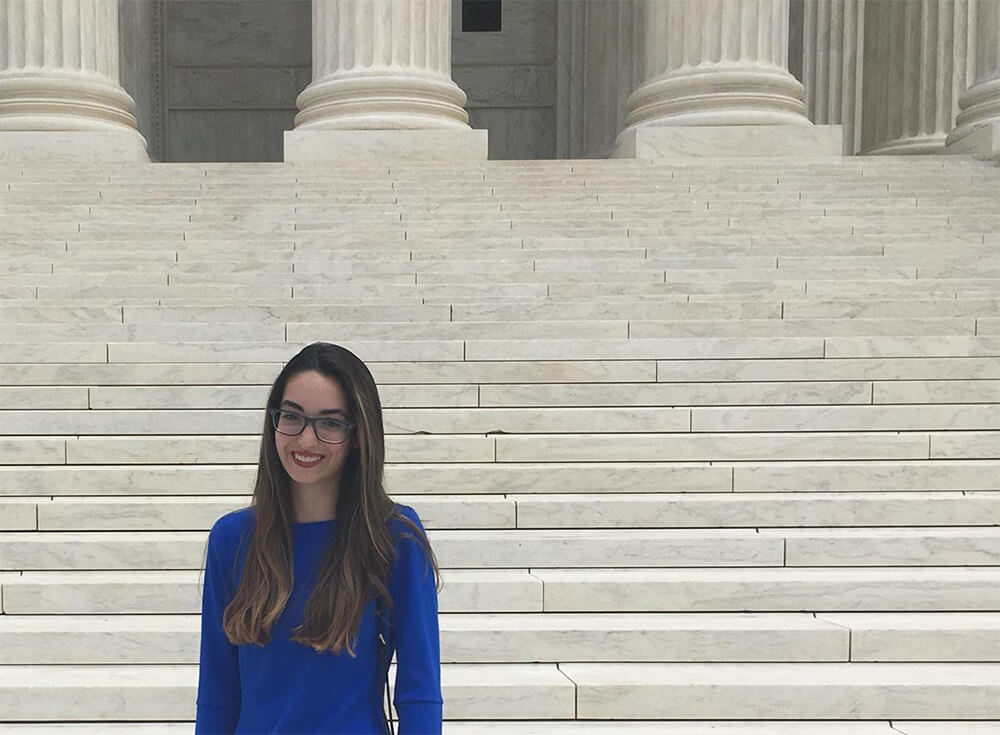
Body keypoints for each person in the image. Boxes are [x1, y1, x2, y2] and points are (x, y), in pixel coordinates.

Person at [195, 341, 444, 734]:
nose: (306, 440)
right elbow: (217, 694)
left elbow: (420, 691)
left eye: (329, 423)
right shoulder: (232, 540)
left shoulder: (394, 538)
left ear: (358, 434)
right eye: (292, 417)